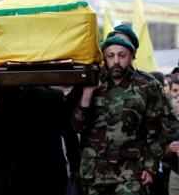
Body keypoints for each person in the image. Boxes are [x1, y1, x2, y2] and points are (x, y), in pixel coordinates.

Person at [72, 36, 178, 195]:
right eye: (110, 56)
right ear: (104, 58)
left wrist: (150, 166)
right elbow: (77, 126)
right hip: (94, 174)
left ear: (131, 57)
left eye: (122, 55)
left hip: (131, 174)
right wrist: (87, 94)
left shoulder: (147, 85)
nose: (116, 60)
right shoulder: (91, 81)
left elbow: (163, 129)